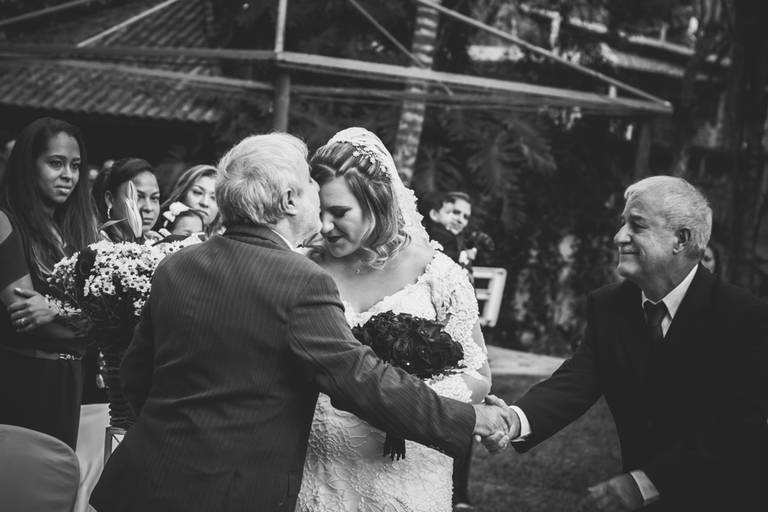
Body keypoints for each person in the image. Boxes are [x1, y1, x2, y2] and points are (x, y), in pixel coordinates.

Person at [90, 132, 513, 512]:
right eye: (311, 183)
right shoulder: (301, 279)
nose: (320, 204)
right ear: (291, 200)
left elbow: (136, 375)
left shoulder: (177, 265)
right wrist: (471, 419)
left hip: (142, 480)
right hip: (229, 493)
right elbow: (359, 379)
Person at [494, 176, 768, 512]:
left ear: (681, 239)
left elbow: (733, 425)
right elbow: (575, 382)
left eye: (636, 225)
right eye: (622, 223)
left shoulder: (745, 317)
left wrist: (645, 484)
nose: (619, 236)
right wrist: (513, 419)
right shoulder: (608, 306)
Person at [295, 128, 491, 512]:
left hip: (407, 476)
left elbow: (478, 375)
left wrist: (403, 401)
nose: (325, 226)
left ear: (377, 202)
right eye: (319, 212)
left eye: (339, 212)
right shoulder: (301, 268)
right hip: (318, 472)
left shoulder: (437, 274)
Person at [0, 117, 99, 449]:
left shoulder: (76, 232)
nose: (68, 175)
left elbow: (105, 315)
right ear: (28, 165)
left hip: (69, 381)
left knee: (61, 477)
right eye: (56, 163)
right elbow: (29, 319)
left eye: (75, 165)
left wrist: (56, 309)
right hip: (25, 378)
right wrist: (92, 319)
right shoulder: (4, 222)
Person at [92, 157, 162, 242]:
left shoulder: (159, 243)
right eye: (138, 197)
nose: (149, 208)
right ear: (110, 199)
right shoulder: (95, 245)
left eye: (154, 198)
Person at [158, 163, 221, 237]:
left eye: (213, 197)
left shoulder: (226, 241)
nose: (205, 203)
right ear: (182, 194)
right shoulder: (151, 237)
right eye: (197, 192)